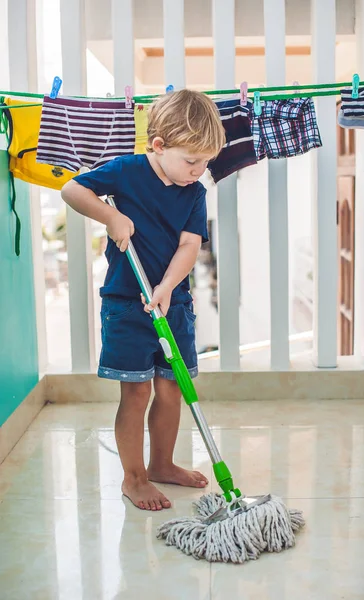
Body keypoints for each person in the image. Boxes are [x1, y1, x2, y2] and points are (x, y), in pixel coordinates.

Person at [61, 89, 225, 511]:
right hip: (126, 303)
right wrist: (112, 217)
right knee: (135, 394)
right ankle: (133, 478)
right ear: (159, 146)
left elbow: (190, 245)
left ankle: (163, 464)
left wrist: (168, 286)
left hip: (174, 302)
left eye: (206, 161)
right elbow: (72, 190)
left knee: (172, 390)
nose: (198, 170)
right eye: (191, 161)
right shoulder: (127, 171)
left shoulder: (194, 192)